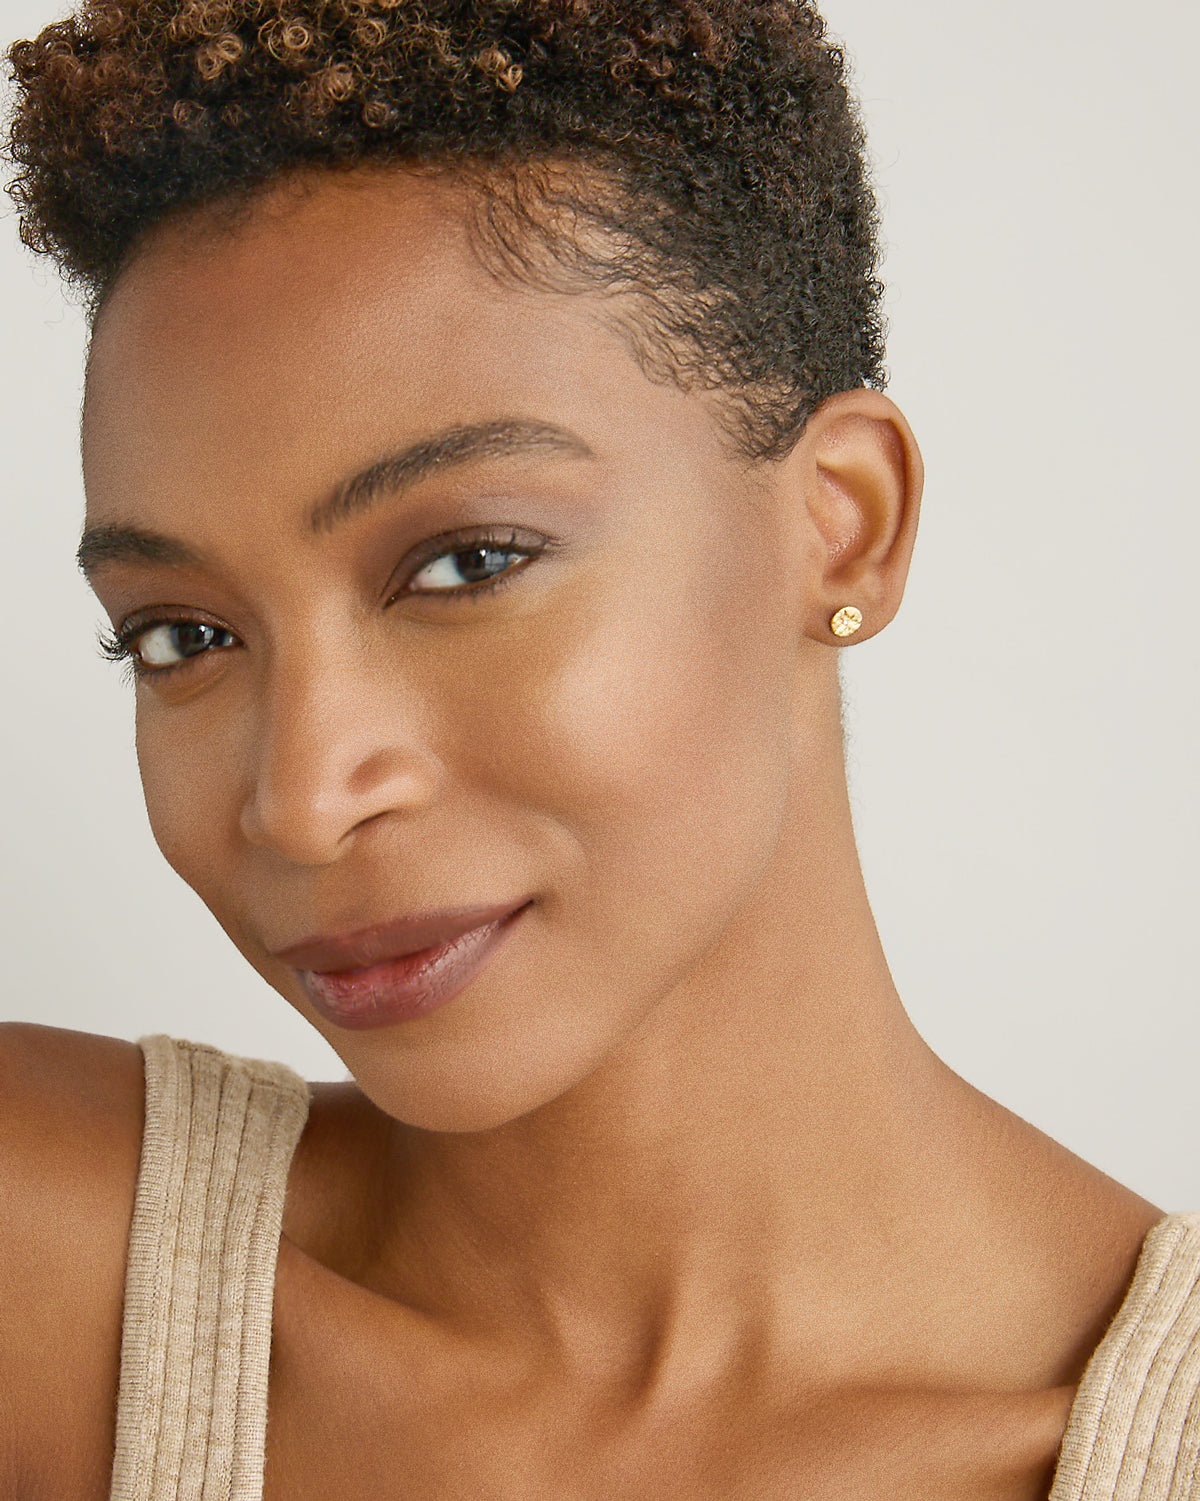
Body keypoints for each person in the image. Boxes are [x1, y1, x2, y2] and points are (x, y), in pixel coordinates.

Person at [0, 2, 1195, 1497]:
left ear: (844, 523)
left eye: (467, 563)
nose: (300, 800)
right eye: (183, 634)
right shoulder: (48, 1286)